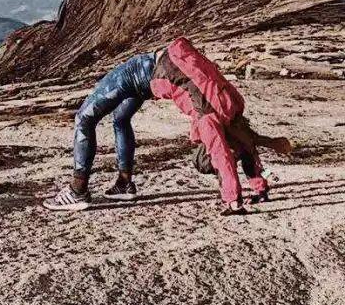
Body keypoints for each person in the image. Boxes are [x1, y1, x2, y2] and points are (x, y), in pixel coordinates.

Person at [44, 37, 289, 215]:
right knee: (95, 119)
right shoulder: (210, 118)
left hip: (149, 71)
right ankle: (100, 187)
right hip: (141, 72)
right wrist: (233, 200)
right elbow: (223, 154)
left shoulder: (232, 107)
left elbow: (245, 146)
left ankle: (102, 186)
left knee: (104, 119)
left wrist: (259, 189)